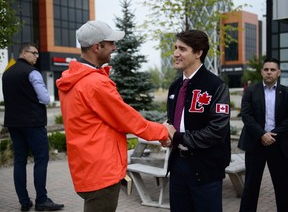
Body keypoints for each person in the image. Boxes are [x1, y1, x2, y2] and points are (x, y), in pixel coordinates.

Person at [56, 20, 169, 212]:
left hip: (87, 166)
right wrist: (164, 132)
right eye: (111, 43)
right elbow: (127, 119)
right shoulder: (94, 83)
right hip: (102, 170)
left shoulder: (73, 79)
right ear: (96, 47)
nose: (115, 47)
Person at [161, 30, 231, 212]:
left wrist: (177, 137)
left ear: (199, 52)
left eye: (182, 49)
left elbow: (217, 131)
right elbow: (173, 122)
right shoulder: (175, 86)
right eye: (175, 48)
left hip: (205, 170)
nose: (176, 53)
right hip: (177, 168)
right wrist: (168, 135)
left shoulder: (216, 86)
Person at [2, 43, 64, 211]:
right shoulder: (32, 73)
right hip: (34, 124)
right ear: (24, 52)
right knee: (41, 159)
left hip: (14, 124)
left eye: (37, 53)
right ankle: (42, 200)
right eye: (34, 53)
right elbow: (45, 99)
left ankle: (24, 201)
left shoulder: (6, 74)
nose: (37, 56)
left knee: (19, 161)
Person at [238, 58, 288, 212]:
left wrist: (272, 135)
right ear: (261, 72)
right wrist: (261, 135)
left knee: (283, 187)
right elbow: (246, 115)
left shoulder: (286, 92)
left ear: (278, 73)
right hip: (255, 144)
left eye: (273, 70)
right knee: (251, 187)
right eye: (266, 69)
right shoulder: (251, 91)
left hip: (278, 144)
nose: (269, 72)